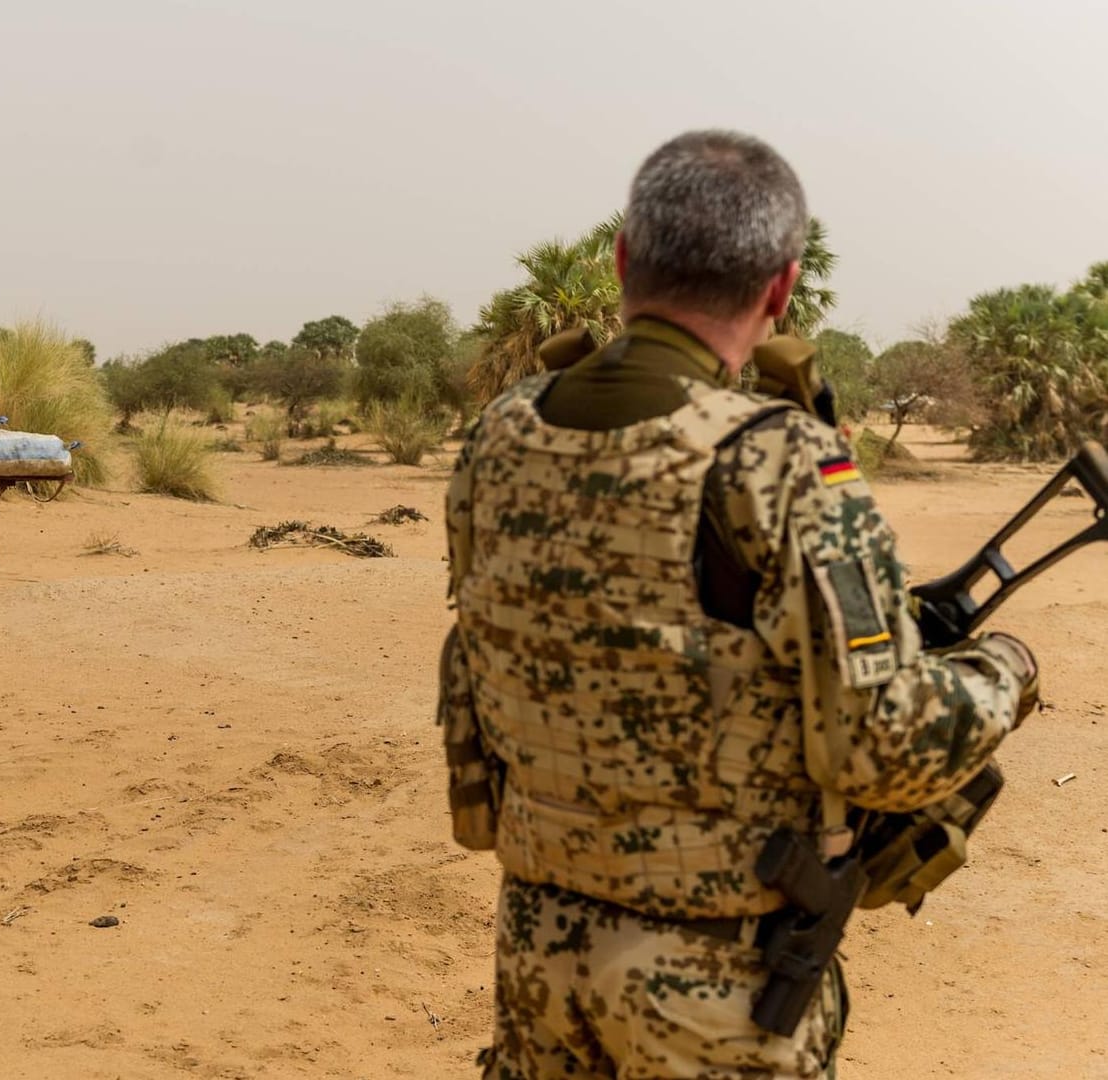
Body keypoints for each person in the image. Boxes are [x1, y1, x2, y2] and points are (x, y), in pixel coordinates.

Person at [441, 130, 1039, 1078]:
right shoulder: (780, 460)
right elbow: (882, 747)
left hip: (535, 949)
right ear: (780, 287)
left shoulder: (501, 432)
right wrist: (1001, 673)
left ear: (626, 259)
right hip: (717, 985)